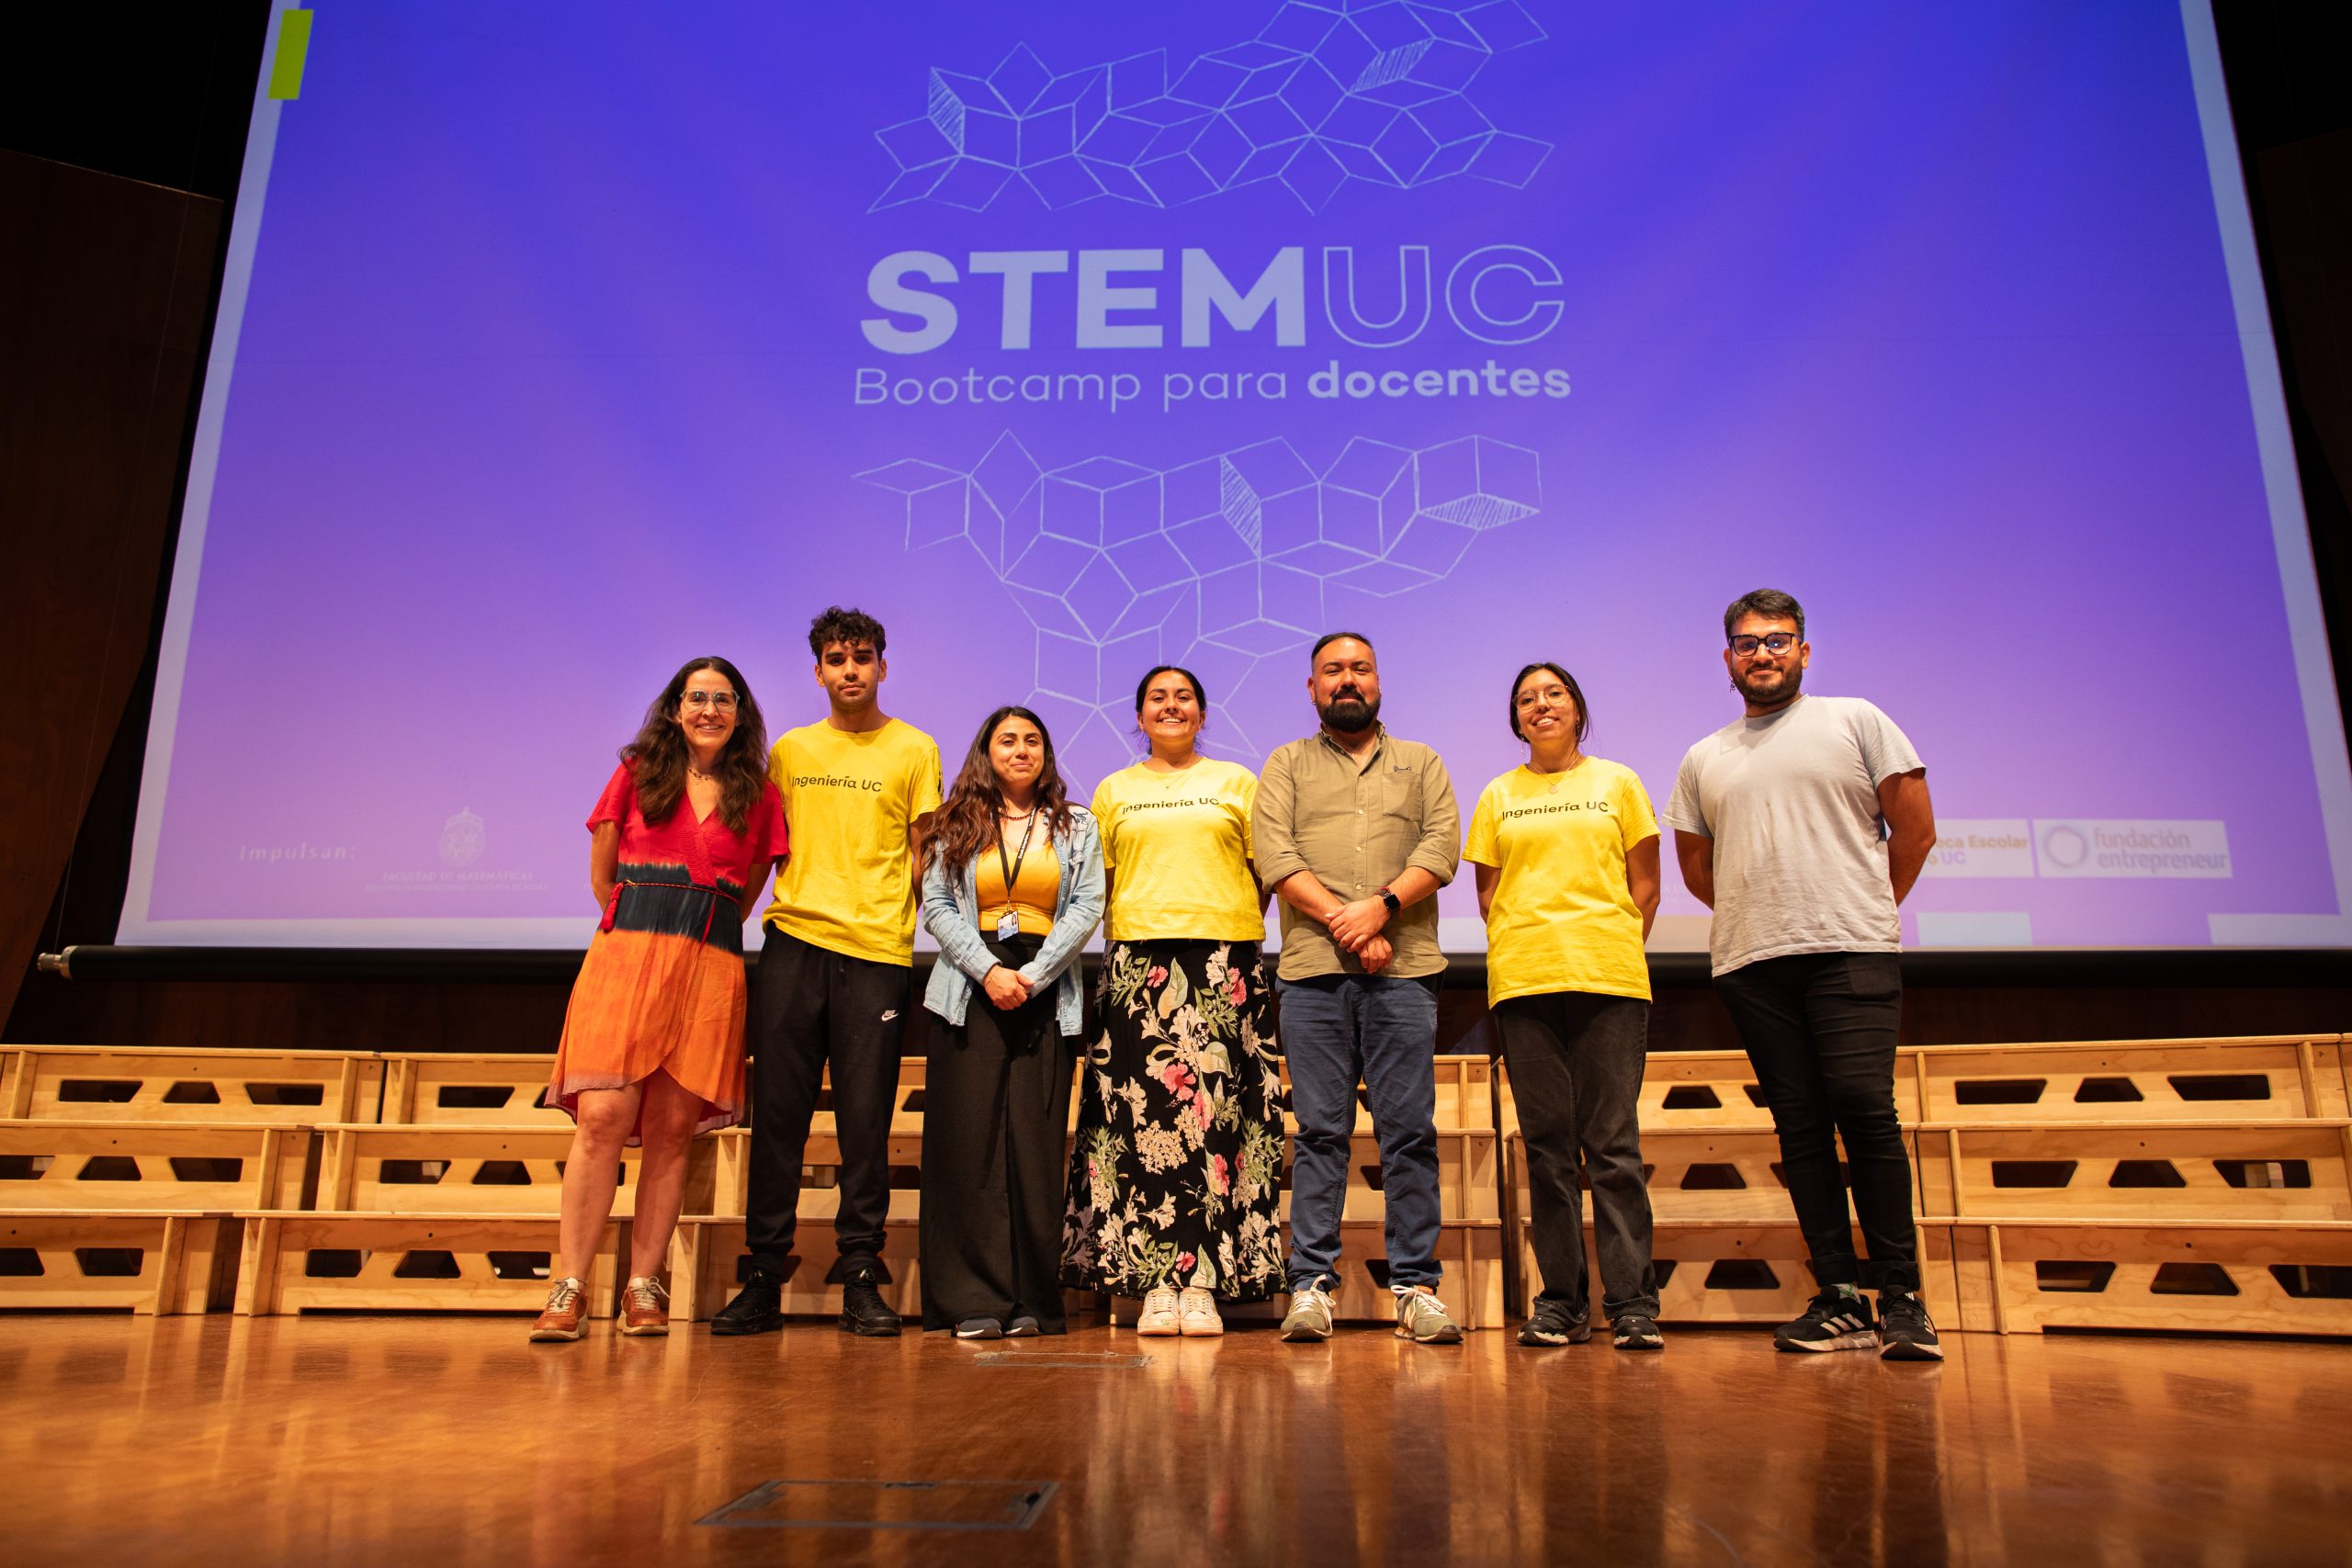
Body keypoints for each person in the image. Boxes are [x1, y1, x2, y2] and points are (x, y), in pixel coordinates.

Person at [1662, 589, 1940, 1359]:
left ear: (1804, 651)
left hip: (1851, 950)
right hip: (1752, 964)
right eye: (1748, 643)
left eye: (1778, 640)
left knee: (1864, 1108)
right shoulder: (1704, 756)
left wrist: (1860, 904)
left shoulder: (1856, 720)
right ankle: (1840, 1297)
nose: (1764, 653)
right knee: (1802, 1128)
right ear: (1728, 659)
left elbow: (1915, 830)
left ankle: (1903, 1297)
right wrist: (1768, 911)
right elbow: (1698, 870)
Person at [533, 658, 786, 1342]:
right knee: (602, 1118)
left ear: (740, 713)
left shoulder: (759, 794)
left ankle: (643, 1285)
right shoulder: (639, 771)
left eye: (723, 699)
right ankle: (569, 1285)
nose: (709, 709)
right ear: (676, 708)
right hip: (628, 956)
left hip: (709, 966)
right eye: (696, 697)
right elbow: (603, 875)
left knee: (673, 1131)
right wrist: (647, 929)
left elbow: (746, 890)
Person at [712, 607, 942, 1337]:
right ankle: (761, 1274)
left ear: (882, 666)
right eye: (837, 659)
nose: (850, 669)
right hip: (794, 944)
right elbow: (765, 849)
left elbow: (924, 856)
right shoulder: (790, 750)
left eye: (862, 657)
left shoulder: (916, 748)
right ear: (817, 672)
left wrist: (920, 927)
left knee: (864, 1122)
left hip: (876, 952)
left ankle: (861, 1275)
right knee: (778, 1116)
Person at [1252, 632, 1466, 1346]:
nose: (1348, 680)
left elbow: (1441, 846)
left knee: (1409, 1134)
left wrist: (1381, 907)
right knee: (1320, 1134)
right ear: (1312, 687)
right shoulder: (1285, 763)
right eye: (1333, 670)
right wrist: (1351, 924)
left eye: (1360, 668)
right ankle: (1310, 1287)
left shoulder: (1421, 762)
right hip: (1313, 975)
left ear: (1378, 681)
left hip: (1404, 972)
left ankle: (1416, 1288)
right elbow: (1275, 855)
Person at [1061, 665, 1287, 1336]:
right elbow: (1100, 883)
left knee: (1216, 1121)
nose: (1171, 706)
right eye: (1157, 699)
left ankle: (1205, 1284)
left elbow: (1264, 874)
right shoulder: (1113, 791)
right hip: (1137, 963)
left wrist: (1222, 927)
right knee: (1144, 1126)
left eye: (1183, 697)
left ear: (1202, 713)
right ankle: (1157, 1284)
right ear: (1139, 717)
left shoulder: (1237, 782)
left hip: (1222, 962)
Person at [1463, 662, 1665, 1351]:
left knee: (1612, 1145)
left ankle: (1632, 1302)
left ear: (1577, 708)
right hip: (1525, 982)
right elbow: (1488, 895)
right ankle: (1562, 1303)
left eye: (1554, 694)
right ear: (1516, 719)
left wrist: (1603, 943)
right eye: (1527, 698)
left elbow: (1645, 887)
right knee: (1547, 1148)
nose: (1541, 705)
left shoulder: (1619, 782)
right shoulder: (1498, 794)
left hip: (1608, 977)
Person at [916, 706, 1104, 1338]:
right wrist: (989, 970)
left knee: (1034, 1144)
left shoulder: (1077, 824)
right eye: (1007, 740)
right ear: (987, 751)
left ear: (1045, 753)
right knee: (967, 1143)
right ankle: (972, 1299)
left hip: (1044, 990)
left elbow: (1087, 905)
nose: (1020, 750)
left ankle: (1030, 1302)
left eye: (1032, 741)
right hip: (971, 989)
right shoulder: (954, 821)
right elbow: (937, 904)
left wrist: (1034, 975)